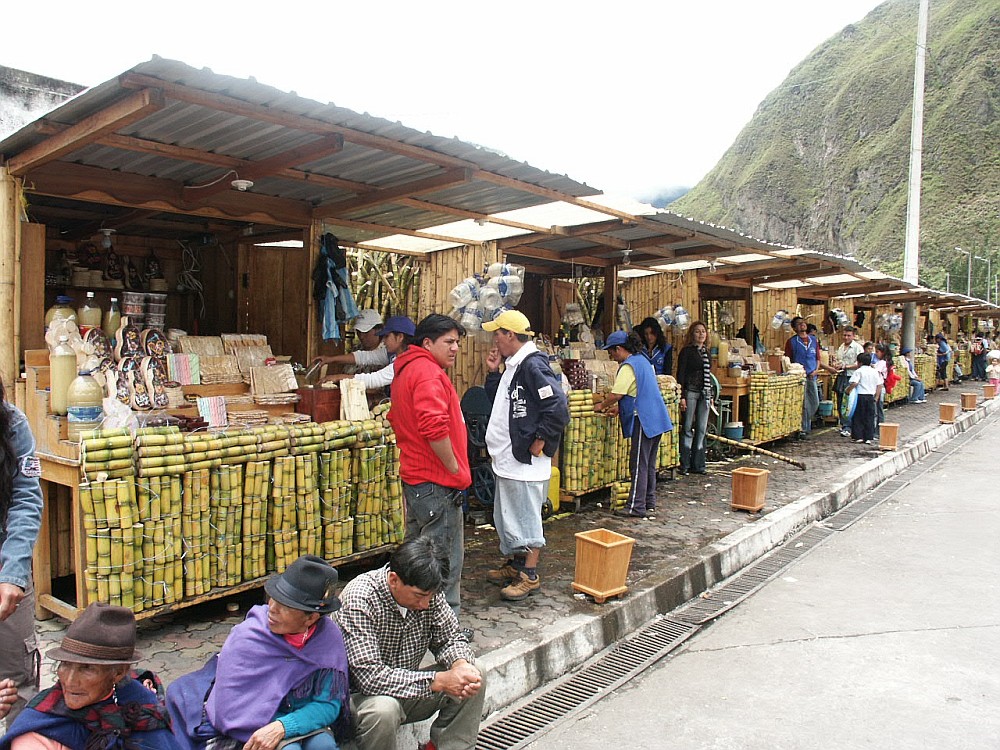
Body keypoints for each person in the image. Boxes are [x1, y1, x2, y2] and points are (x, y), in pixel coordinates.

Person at [168, 556, 351, 750]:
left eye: (285, 606)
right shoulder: (247, 637)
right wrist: (278, 728)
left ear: (311, 618)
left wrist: (285, 726)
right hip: (253, 724)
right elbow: (231, 708)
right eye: (274, 599)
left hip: (302, 720)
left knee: (323, 747)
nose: (272, 609)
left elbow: (328, 703)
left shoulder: (328, 638)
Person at [334, 537, 484, 750]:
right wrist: (439, 680)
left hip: (408, 690)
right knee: (383, 710)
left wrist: (460, 665)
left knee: (475, 671)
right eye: (419, 596)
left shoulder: (429, 592)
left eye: (430, 597)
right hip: (360, 701)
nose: (424, 604)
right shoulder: (360, 598)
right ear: (394, 579)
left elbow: (450, 638)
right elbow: (369, 678)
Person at [0, 602, 179, 750]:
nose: (69, 681)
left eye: (87, 669)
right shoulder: (39, 725)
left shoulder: (140, 708)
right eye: (65, 665)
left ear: (118, 673)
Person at [481, 310, 569, 602]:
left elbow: (557, 406)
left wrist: (540, 439)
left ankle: (529, 575)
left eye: (498, 333)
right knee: (510, 516)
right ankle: (517, 563)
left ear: (510, 335)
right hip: (509, 460)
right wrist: (494, 372)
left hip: (525, 463)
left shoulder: (532, 366)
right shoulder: (513, 366)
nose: (494, 339)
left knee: (527, 517)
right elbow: (503, 403)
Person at [387, 314, 471, 616]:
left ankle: (409, 621)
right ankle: (446, 628)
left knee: (416, 559)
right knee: (442, 561)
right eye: (448, 342)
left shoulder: (408, 370)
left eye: (457, 342)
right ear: (427, 342)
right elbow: (434, 428)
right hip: (437, 483)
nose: (455, 348)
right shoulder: (427, 373)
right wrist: (454, 469)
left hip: (418, 480)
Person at [0, 380, 43, 727]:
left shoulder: (11, 423)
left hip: (6, 562)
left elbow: (26, 499)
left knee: (16, 681)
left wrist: (13, 574)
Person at [596, 330, 672, 519]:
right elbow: (638, 391)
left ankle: (635, 507)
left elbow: (617, 394)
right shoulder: (643, 361)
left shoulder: (628, 366)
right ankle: (648, 501)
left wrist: (602, 405)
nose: (612, 356)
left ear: (620, 349)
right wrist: (620, 409)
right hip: (657, 418)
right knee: (648, 463)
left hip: (644, 419)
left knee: (638, 463)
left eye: (612, 352)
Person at [321, 316, 415, 395]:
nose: (384, 341)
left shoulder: (408, 361)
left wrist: (339, 377)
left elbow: (373, 380)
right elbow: (365, 357)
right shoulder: (392, 353)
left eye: (387, 336)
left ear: (400, 337)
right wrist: (329, 359)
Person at [785, 317, 837, 438]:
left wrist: (816, 370)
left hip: (812, 375)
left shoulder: (813, 340)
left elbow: (817, 358)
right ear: (794, 328)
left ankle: (806, 425)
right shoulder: (792, 342)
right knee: (802, 402)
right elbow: (787, 360)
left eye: (803, 323)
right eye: (799, 324)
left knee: (814, 401)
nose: (802, 325)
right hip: (799, 377)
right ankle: (803, 428)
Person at [674, 321, 712, 476]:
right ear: (692, 334)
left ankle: (699, 463)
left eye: (703, 331)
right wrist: (681, 395)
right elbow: (681, 373)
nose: (701, 334)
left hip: (705, 393)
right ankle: (685, 463)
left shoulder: (706, 352)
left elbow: (709, 374)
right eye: (697, 331)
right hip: (690, 391)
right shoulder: (687, 351)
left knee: (702, 428)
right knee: (688, 426)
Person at [313, 309, 384, 376]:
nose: (361, 336)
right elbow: (349, 370)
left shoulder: (386, 352)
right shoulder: (357, 349)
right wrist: (329, 359)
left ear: (378, 330)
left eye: (366, 332)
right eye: (359, 332)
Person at [832, 326, 865, 436]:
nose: (846, 337)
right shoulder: (841, 347)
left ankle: (849, 426)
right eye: (844, 335)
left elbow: (860, 364)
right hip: (841, 376)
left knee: (850, 402)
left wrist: (846, 366)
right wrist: (837, 365)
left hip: (852, 377)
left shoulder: (857, 348)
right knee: (841, 401)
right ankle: (843, 424)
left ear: (853, 336)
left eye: (848, 335)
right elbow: (838, 360)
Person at [845, 353, 882, 445]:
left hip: (860, 397)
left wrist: (848, 391)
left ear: (859, 362)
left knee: (858, 416)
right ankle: (868, 437)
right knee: (869, 417)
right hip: (870, 396)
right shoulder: (874, 371)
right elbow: (879, 385)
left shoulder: (859, 371)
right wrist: (876, 397)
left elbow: (854, 383)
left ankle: (858, 436)